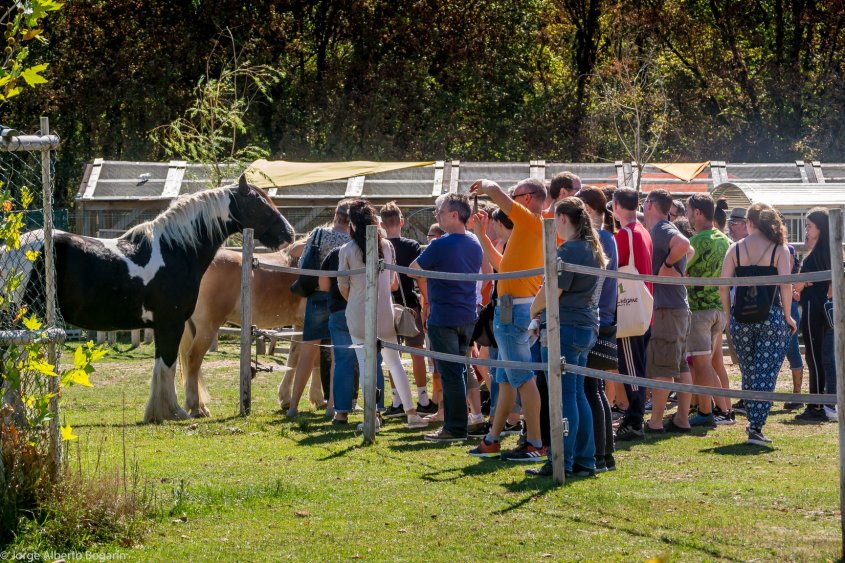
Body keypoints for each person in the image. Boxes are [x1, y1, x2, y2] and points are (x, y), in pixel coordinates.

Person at [468, 178, 548, 462]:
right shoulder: (529, 229)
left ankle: (535, 443)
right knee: (504, 380)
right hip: (511, 310)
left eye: (516, 195)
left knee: (523, 379)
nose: (512, 200)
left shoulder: (530, 221)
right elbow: (503, 268)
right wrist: (481, 235)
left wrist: (487, 185)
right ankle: (492, 440)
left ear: (527, 198)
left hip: (516, 311)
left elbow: (498, 195)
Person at [526, 197, 606, 478]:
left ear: (562, 218)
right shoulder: (592, 248)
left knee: (564, 396)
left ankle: (563, 461)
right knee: (578, 394)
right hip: (585, 327)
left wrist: (533, 311)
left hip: (567, 327)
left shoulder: (570, 250)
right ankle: (584, 460)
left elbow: (552, 291)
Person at [337, 199, 427, 431]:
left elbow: (343, 287)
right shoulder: (387, 246)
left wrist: (356, 298)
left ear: (353, 223)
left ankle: (372, 417)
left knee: (365, 364)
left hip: (357, 313)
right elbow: (394, 284)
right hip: (385, 312)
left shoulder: (346, 250)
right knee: (395, 363)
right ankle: (411, 413)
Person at [720, 203, 796, 446]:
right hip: (771, 317)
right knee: (766, 371)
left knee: (749, 371)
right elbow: (785, 285)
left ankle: (753, 422)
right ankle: (756, 426)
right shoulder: (779, 249)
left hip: (740, 318)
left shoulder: (735, 248)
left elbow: (723, 286)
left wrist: (728, 316)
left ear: (749, 222)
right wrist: (788, 315)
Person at [409, 194, 483, 442]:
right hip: (467, 316)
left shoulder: (440, 244)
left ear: (454, 215)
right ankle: (458, 424)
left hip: (444, 317)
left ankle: (454, 427)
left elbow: (413, 270)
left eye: (440, 211)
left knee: (451, 373)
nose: (436, 215)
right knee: (459, 371)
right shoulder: (474, 241)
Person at [286, 199, 354, 417]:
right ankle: (332, 406)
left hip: (316, 297)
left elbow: (302, 262)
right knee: (337, 356)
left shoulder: (317, 234)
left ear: (335, 214)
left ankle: (293, 406)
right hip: (340, 299)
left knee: (307, 353)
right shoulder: (352, 241)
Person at [641, 189, 693, 434]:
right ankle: (682, 419)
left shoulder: (661, 229)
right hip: (677, 307)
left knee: (663, 367)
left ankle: (656, 422)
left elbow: (685, 245)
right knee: (680, 366)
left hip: (667, 309)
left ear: (651, 204)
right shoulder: (664, 228)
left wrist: (669, 265)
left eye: (644, 202)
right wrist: (678, 269)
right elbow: (689, 251)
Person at [379, 201, 437, 418]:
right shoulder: (412, 246)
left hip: (387, 304)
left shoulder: (380, 246)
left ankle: (397, 401)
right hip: (410, 305)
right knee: (417, 352)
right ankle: (423, 399)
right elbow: (420, 277)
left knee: (392, 356)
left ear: (382, 224)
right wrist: (426, 303)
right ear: (401, 222)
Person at [577, 187, 618, 472]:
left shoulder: (598, 238)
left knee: (590, 389)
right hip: (604, 317)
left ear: (588, 210)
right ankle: (605, 454)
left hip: (595, 318)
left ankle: (599, 456)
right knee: (596, 389)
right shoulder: (608, 237)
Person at [319, 246, 385, 424]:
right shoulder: (378, 249)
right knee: (373, 360)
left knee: (343, 362)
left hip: (340, 311)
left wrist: (350, 299)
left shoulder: (337, 252)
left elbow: (324, 285)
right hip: (369, 310)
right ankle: (376, 410)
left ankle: (341, 413)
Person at [685, 193, 733, 426]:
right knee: (712, 364)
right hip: (719, 309)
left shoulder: (694, 242)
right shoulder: (726, 241)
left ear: (697, 212)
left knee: (701, 363)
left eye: (688, 210)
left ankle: (706, 412)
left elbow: (681, 270)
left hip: (699, 310)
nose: (686, 215)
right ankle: (725, 410)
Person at [611, 188, 653, 440]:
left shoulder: (625, 234)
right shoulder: (643, 231)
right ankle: (634, 416)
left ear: (616, 205)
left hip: (630, 308)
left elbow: (614, 268)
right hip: (643, 306)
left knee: (631, 368)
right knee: (636, 365)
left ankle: (635, 419)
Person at [793, 208, 833, 422]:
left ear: (820, 228)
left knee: (814, 358)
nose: (806, 230)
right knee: (818, 357)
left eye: (809, 226)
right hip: (822, 309)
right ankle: (818, 402)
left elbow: (798, 285)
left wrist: (803, 284)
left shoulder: (815, 256)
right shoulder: (829, 253)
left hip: (812, 310)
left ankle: (816, 406)